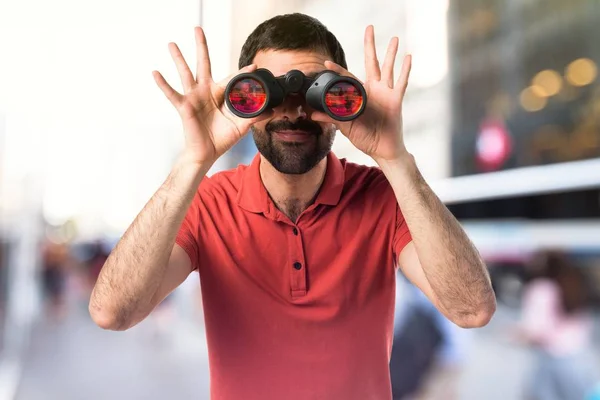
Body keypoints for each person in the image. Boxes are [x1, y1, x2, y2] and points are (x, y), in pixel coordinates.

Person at [89, 13, 496, 399]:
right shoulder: (209, 202)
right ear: (243, 99)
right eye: (269, 92)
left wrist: (395, 158)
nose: (294, 112)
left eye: (317, 92)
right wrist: (193, 162)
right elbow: (112, 312)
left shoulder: (381, 196)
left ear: (341, 99)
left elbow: (472, 309)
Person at [517, 250, 598, 400]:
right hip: (580, 359)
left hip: (552, 361)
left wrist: (515, 335)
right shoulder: (575, 284)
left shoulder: (541, 288)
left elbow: (536, 331)